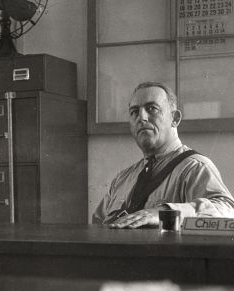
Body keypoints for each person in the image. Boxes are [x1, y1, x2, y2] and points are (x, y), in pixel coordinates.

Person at [93, 81, 234, 228]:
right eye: (134, 112)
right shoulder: (122, 179)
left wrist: (165, 212)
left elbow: (227, 210)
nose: (142, 117)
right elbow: (97, 226)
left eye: (152, 108)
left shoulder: (194, 168)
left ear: (175, 119)